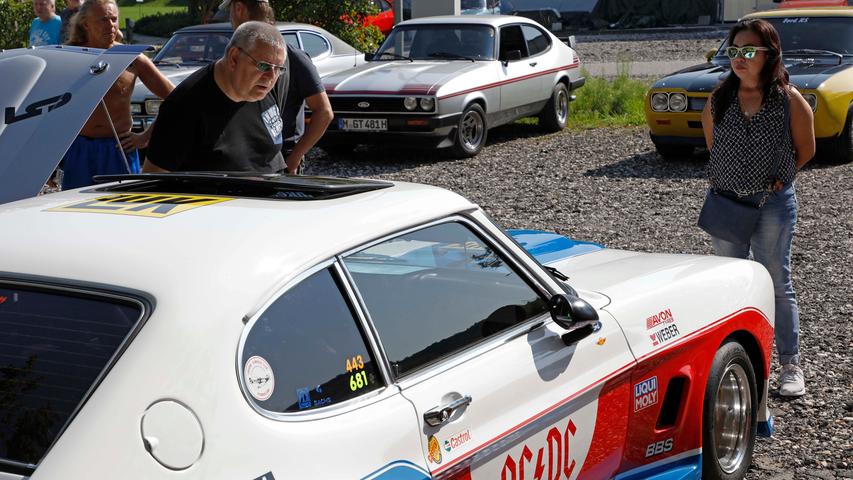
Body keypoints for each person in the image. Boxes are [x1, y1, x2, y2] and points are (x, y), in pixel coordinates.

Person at [701, 19, 815, 397]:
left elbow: (807, 147)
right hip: (727, 205)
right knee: (731, 282)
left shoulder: (788, 99)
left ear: (770, 54)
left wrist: (783, 175)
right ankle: (741, 363)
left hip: (773, 205)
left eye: (748, 51)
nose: (739, 58)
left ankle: (790, 364)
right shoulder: (720, 99)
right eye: (733, 51)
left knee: (776, 281)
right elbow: (714, 146)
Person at [142, 21, 289, 173]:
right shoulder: (183, 107)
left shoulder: (261, 90)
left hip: (272, 191)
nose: (271, 77)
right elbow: (154, 180)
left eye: (278, 68)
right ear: (234, 58)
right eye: (264, 66)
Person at [61, 0, 174, 189]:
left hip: (118, 150)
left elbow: (177, 97)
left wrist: (145, 137)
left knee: (120, 211)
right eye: (103, 20)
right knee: (73, 212)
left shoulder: (132, 58)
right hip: (78, 150)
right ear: (85, 23)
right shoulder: (70, 56)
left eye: (114, 19)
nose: (111, 25)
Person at [223, 0, 333, 174]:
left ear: (239, 9)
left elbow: (324, 112)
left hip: (280, 162)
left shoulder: (294, 57)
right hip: (244, 161)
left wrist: (294, 158)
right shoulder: (237, 53)